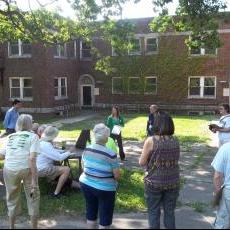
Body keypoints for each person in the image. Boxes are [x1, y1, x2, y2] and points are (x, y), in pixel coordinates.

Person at [139, 112, 180, 229]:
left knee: (153, 212)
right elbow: (175, 159)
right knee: (170, 212)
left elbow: (141, 162)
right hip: (173, 182)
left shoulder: (151, 140)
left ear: (157, 124)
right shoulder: (175, 140)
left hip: (154, 182)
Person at [1, 114, 40, 229]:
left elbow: (2, 156)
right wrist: (34, 180)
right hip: (27, 169)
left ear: (17, 124)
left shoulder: (10, 136)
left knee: (12, 198)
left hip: (9, 170)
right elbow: (32, 158)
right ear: (30, 124)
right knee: (33, 197)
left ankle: (11, 227)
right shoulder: (33, 137)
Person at [80, 124, 120, 229]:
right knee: (105, 216)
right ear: (107, 138)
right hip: (105, 188)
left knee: (91, 211)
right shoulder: (111, 154)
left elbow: (83, 167)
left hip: (86, 183)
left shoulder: (87, 149)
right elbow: (116, 175)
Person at [36, 126, 80, 198]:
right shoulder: (46, 145)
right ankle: (56, 193)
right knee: (66, 169)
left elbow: (52, 151)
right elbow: (59, 158)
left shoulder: (42, 142)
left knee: (57, 166)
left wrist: (64, 151)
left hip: (37, 168)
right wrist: (69, 151)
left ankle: (62, 183)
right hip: (42, 169)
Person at [211, 142, 230, 229]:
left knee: (222, 222)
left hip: (228, 192)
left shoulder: (226, 148)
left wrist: (217, 193)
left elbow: (217, 177)